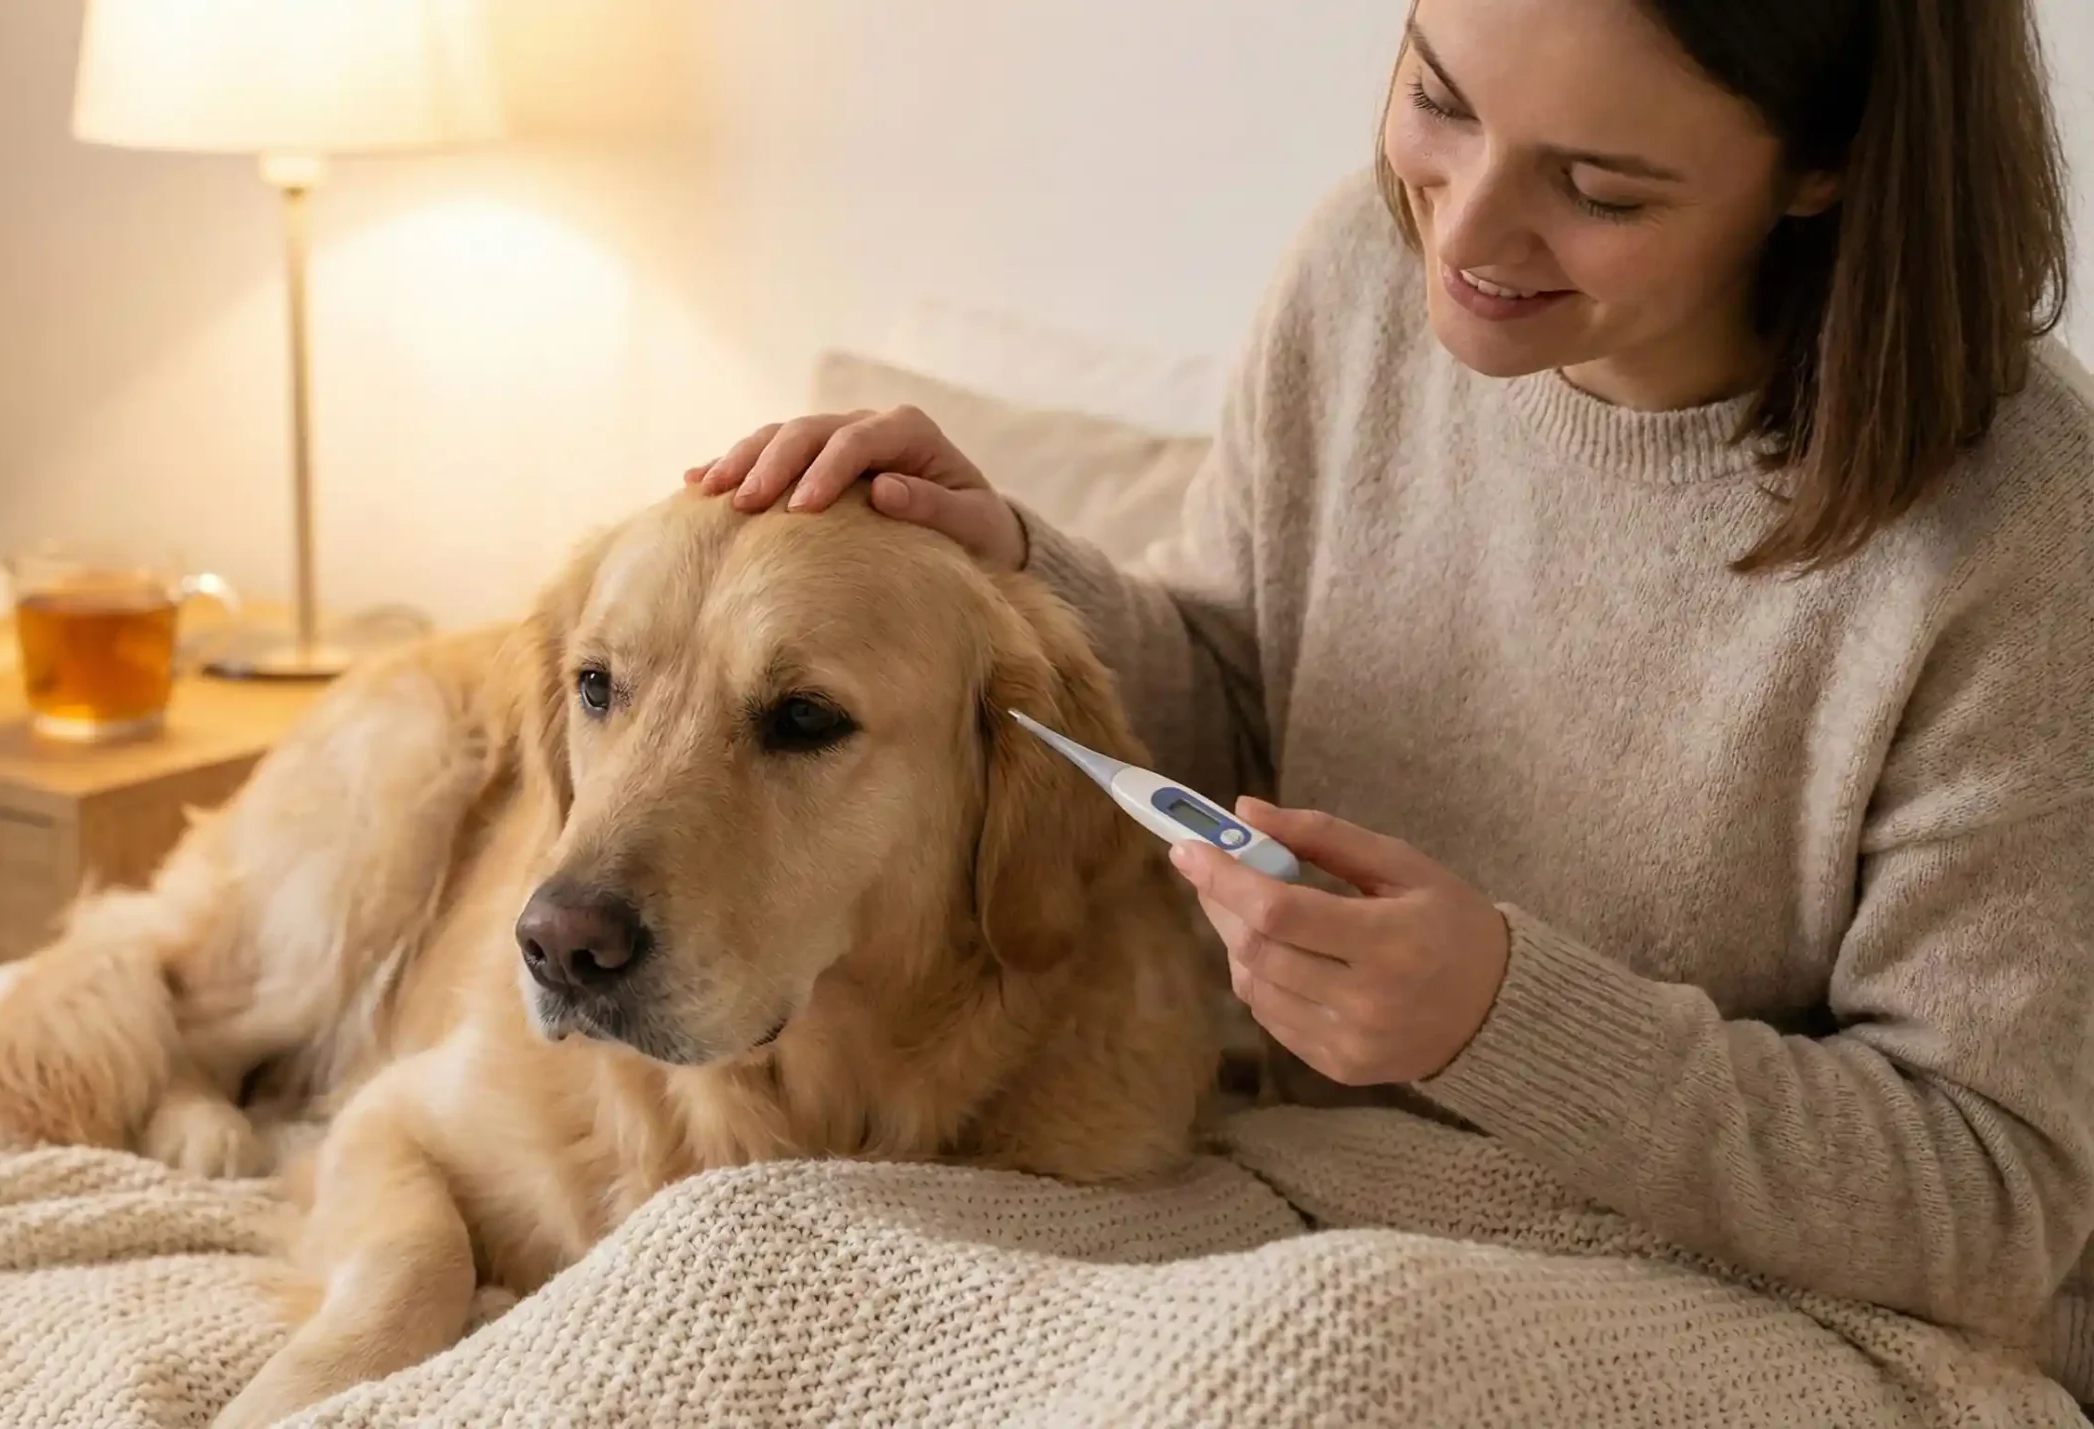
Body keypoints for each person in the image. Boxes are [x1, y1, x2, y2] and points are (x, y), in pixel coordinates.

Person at [686, 0, 2094, 1412]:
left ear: (1826, 166)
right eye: (1440, 100)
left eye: (1598, 188)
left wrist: (1503, 1017)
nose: (1467, 235)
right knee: (741, 1246)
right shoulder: (1363, 274)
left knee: (1320, 1355)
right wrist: (1005, 573)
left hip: (1819, 1313)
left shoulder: (2022, 528)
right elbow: (1246, 705)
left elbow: (1989, 1204)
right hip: (1321, 1189)